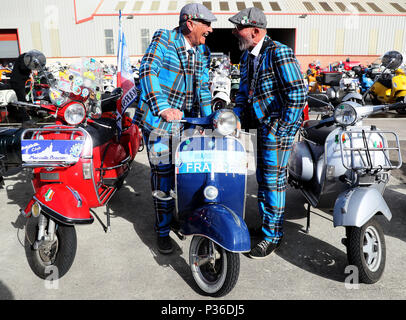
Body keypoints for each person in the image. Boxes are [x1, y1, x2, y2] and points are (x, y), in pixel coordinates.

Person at [133, 3, 216, 254]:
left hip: (185, 123)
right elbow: (148, 70)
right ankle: (162, 230)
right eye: (207, 24)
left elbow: (202, 89)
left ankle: (182, 217)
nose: (210, 30)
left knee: (189, 171)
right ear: (190, 23)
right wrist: (162, 107)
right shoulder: (165, 38)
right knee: (163, 174)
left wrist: (211, 119)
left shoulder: (202, 52)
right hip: (159, 122)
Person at [229, 7, 307, 259]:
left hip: (275, 130)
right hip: (261, 128)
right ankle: (266, 226)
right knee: (262, 179)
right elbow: (242, 94)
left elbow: (297, 94)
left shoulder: (279, 52)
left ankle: (273, 235)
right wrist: (236, 117)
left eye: (238, 27)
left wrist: (282, 129)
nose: (234, 31)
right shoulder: (247, 57)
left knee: (273, 183)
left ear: (255, 30)